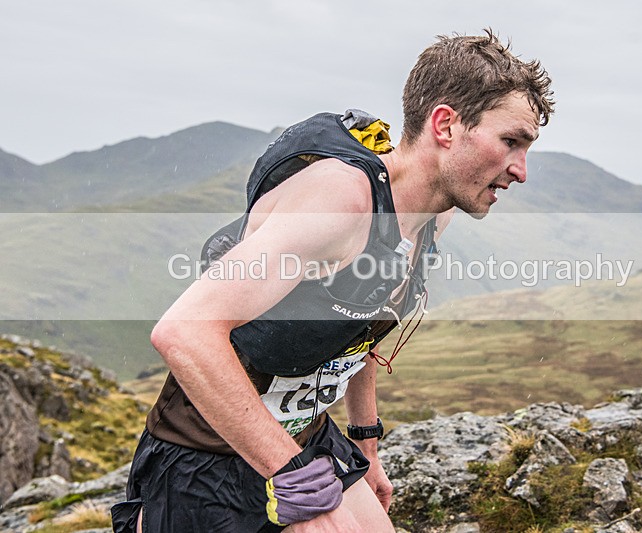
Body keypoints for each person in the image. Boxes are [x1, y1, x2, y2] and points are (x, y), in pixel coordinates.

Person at [112, 30, 554, 532]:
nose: (521, 171)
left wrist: (366, 442)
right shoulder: (341, 202)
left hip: (305, 436)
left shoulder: (432, 215)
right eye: (510, 142)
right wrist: (296, 483)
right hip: (207, 457)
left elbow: (357, 322)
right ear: (446, 124)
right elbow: (184, 331)